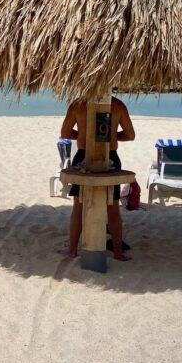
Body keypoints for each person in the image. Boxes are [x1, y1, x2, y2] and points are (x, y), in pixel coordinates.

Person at [57, 97, 134, 262]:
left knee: (78, 205)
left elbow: (65, 133)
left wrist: (84, 135)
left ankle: (72, 249)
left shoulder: (77, 105)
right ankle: (118, 252)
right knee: (113, 207)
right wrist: (111, 135)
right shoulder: (118, 105)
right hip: (110, 156)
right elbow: (130, 135)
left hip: (83, 155)